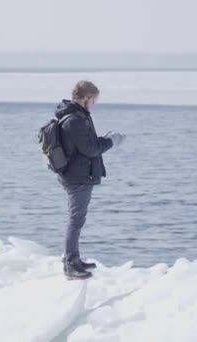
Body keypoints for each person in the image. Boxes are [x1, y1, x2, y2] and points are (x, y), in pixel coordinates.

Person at [54, 80, 125, 280]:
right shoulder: (74, 120)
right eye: (94, 100)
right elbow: (91, 149)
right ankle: (70, 264)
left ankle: (74, 259)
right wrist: (111, 141)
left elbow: (88, 144)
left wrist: (104, 139)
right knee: (75, 220)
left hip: (77, 174)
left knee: (77, 219)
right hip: (76, 177)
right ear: (85, 98)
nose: (94, 104)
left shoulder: (78, 115)